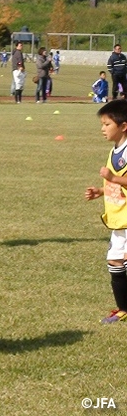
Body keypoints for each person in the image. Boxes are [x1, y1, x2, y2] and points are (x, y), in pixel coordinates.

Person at [84, 99, 127, 323]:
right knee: (115, 262)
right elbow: (118, 184)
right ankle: (123, 309)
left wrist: (113, 178)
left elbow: (121, 179)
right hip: (119, 219)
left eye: (107, 124)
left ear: (123, 126)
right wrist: (102, 190)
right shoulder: (115, 150)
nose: (103, 128)